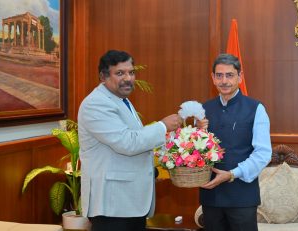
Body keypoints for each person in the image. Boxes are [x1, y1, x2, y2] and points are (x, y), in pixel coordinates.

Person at [78, 50, 182, 231]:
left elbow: (136, 141)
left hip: (128, 203)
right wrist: (163, 126)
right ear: (103, 76)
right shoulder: (96, 103)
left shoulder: (120, 99)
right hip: (112, 207)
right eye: (120, 73)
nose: (128, 78)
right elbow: (128, 142)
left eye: (131, 72)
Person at [198, 53, 272, 231]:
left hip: (242, 197)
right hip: (211, 196)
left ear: (240, 76)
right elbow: (196, 152)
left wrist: (232, 174)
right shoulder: (203, 109)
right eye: (219, 75)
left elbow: (263, 154)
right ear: (213, 78)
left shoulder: (256, 109)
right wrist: (198, 132)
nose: (224, 81)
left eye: (229, 75)